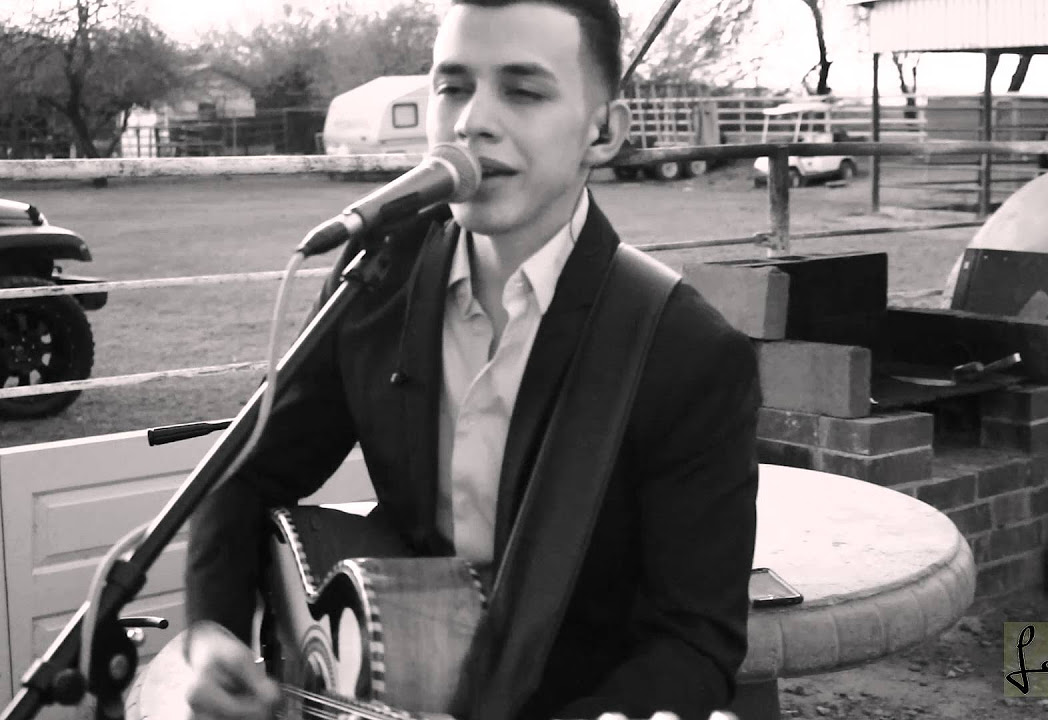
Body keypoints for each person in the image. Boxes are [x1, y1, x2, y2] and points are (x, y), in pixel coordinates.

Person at [181, 0, 762, 718]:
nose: (472, 121)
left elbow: (693, 645)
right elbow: (246, 470)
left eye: (523, 90)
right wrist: (214, 632)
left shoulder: (688, 353)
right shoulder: (376, 276)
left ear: (604, 131)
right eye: (453, 86)